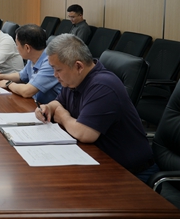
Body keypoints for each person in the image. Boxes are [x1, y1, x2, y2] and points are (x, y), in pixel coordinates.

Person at [35, 34, 157, 182]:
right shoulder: (73, 80)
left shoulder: (103, 86)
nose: (55, 75)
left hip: (130, 174)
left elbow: (85, 133)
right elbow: (57, 104)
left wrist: (62, 116)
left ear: (78, 66)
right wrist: (47, 107)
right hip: (99, 161)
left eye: (58, 70)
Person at [0, 24, 61, 103]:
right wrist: (0, 76)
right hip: (37, 103)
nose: (16, 48)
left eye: (17, 44)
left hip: (51, 108)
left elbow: (27, 91)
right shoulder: (33, 57)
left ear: (27, 48)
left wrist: (8, 84)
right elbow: (21, 76)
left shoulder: (50, 63)